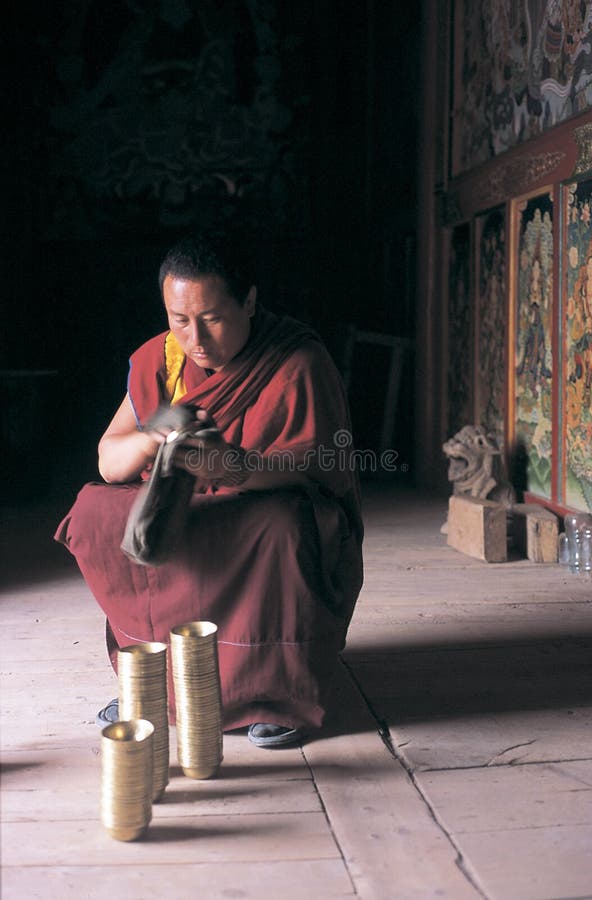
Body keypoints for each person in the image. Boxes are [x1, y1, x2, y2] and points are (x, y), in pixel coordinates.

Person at [55, 230, 364, 747]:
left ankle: (270, 694)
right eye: (179, 321)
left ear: (249, 301)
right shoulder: (162, 359)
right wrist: (154, 435)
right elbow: (109, 462)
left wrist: (235, 468)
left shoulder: (296, 361)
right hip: (188, 510)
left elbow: (320, 468)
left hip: (254, 511)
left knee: (284, 527)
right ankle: (151, 681)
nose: (195, 338)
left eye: (213, 318)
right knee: (94, 510)